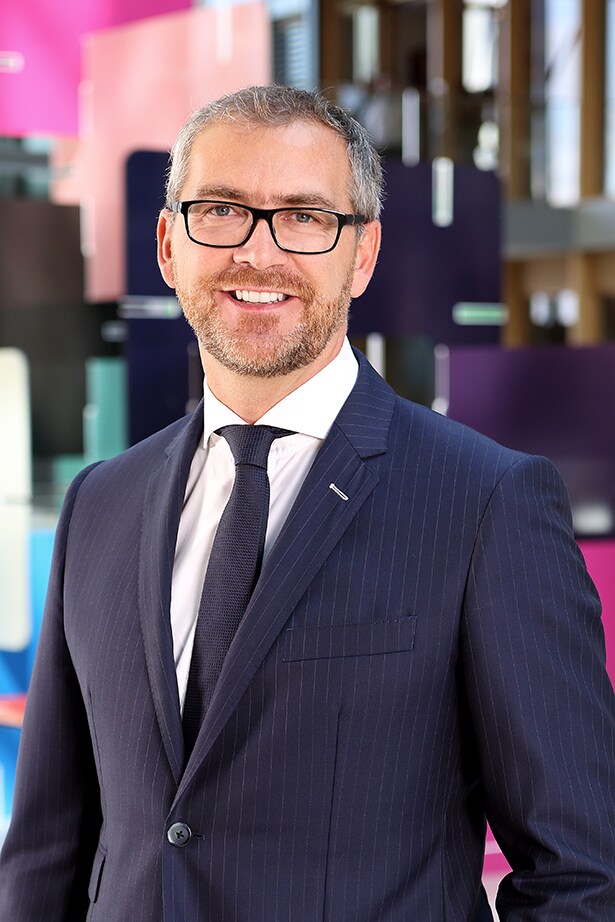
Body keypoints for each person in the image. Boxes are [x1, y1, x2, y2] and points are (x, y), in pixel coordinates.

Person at [1, 85, 614, 922]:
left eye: (303, 216)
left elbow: (584, 875)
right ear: (169, 246)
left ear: (361, 254)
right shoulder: (100, 504)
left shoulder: (485, 504)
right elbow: (45, 857)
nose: (258, 252)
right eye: (221, 210)